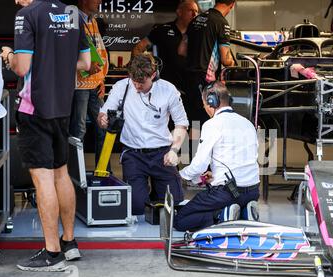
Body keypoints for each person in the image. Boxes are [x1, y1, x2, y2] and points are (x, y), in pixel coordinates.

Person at [0, 0, 91, 271]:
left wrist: (7, 55)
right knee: (61, 172)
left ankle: (52, 254)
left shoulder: (26, 15)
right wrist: (56, 65)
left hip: (34, 107)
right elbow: (85, 62)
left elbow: (21, 67)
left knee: (42, 180)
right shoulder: (73, 13)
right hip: (63, 106)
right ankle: (69, 243)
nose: (16, 0)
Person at [97, 53, 189, 215]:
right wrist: (103, 119)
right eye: (134, 81)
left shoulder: (168, 90)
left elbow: (181, 124)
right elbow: (103, 114)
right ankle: (144, 194)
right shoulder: (121, 87)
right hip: (134, 154)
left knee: (174, 206)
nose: (137, 86)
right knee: (137, 208)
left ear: (153, 75)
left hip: (162, 153)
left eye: (142, 82)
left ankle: (156, 191)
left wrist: (174, 150)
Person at [174, 81, 260, 232]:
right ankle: (244, 212)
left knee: (180, 220)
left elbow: (199, 165)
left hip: (227, 193)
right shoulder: (248, 124)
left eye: (204, 103)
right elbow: (246, 159)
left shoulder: (212, 125)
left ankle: (221, 215)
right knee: (224, 198)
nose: (204, 107)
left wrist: (180, 175)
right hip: (252, 191)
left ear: (211, 102)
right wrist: (216, 173)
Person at [184, 0, 236, 129]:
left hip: (188, 78)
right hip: (206, 80)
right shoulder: (221, 22)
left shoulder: (196, 19)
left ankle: (191, 149)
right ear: (232, 4)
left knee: (193, 121)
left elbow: (182, 50)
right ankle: (203, 148)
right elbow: (225, 60)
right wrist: (233, 62)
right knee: (206, 121)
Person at [69, 0, 109, 166]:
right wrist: (83, 68)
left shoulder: (92, 20)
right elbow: (64, 51)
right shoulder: (72, 18)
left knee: (104, 127)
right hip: (79, 86)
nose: (100, 1)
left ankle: (104, 171)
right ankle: (75, 174)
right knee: (79, 130)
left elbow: (99, 51)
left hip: (95, 84)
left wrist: (102, 79)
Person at [131, 0, 199, 93]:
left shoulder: (199, 33)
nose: (195, 14)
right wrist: (140, 71)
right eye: (191, 10)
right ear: (179, 12)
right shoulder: (162, 30)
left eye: (196, 11)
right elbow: (138, 48)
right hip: (165, 87)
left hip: (191, 89)